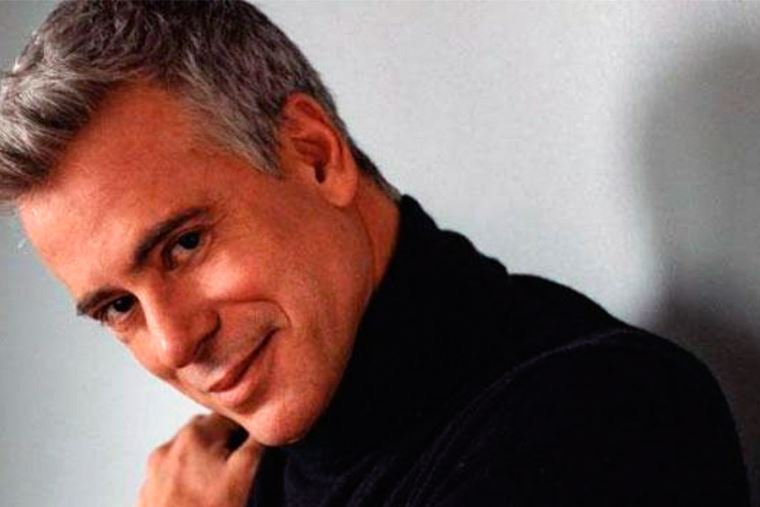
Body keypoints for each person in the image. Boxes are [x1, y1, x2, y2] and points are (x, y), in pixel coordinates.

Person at [0, 1, 749, 506]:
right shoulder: (235, 469)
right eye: (118, 307)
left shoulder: (602, 418)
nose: (173, 342)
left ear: (314, 154)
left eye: (184, 244)